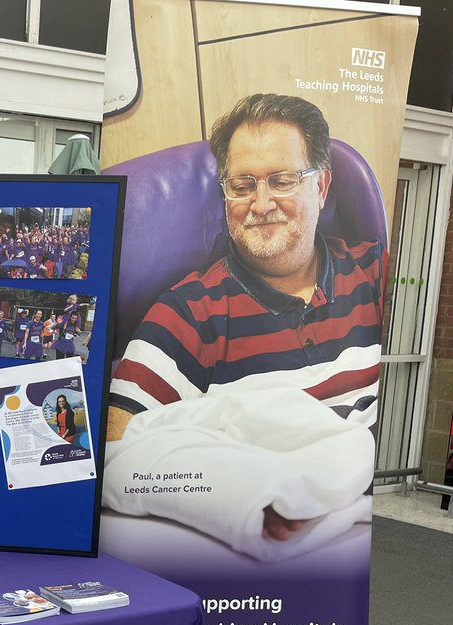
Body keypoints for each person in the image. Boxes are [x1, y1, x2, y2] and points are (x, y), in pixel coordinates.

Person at [108, 93, 384, 541]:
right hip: (265, 556)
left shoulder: (377, 275)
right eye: (242, 185)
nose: (260, 204)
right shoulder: (189, 314)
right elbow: (116, 454)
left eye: (282, 180)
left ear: (322, 187)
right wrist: (240, 490)